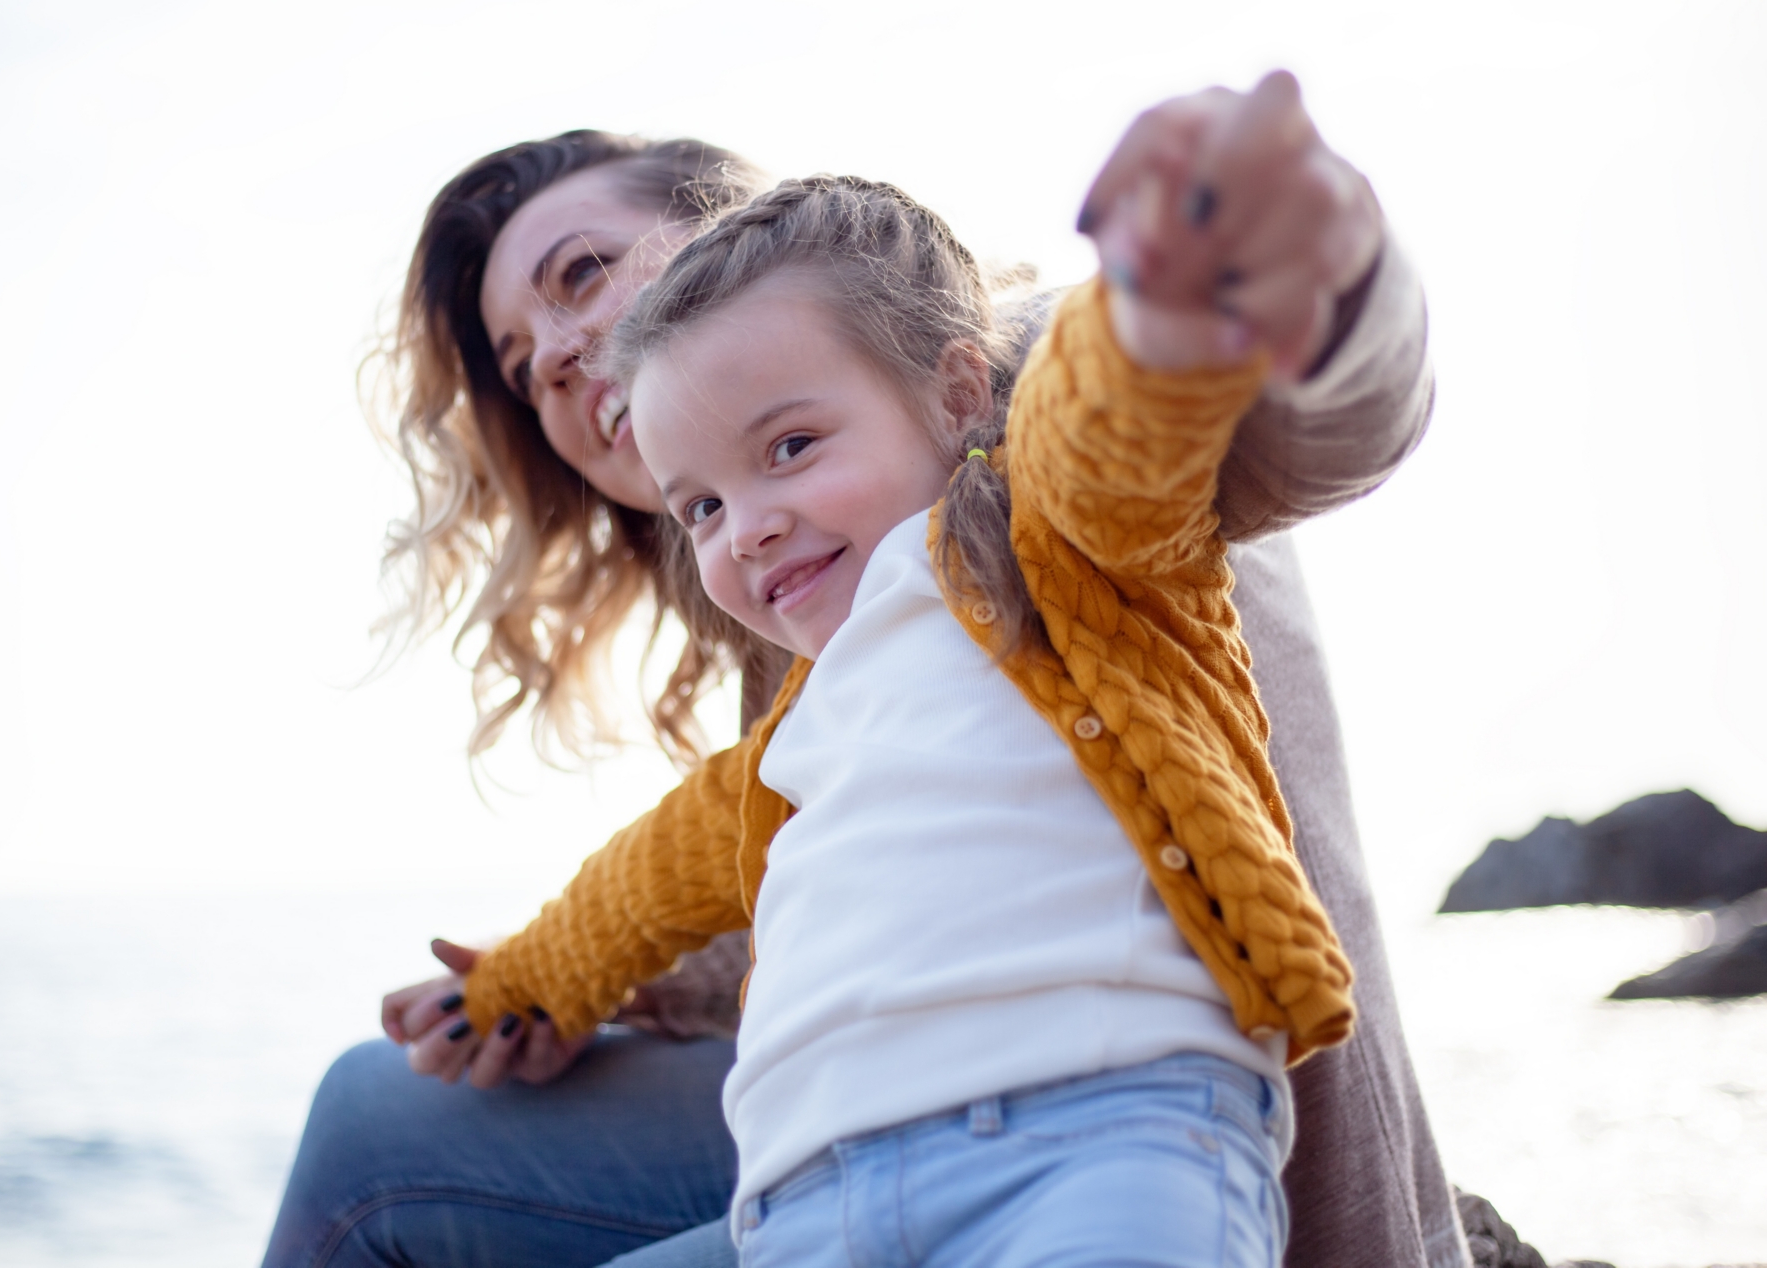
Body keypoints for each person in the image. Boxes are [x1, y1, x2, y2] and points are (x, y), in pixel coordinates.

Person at [264, 79, 1464, 1268]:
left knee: (373, 1134)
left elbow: (1284, 417)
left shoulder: (1026, 417)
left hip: (1123, 1124)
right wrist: (541, 982)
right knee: (371, 1109)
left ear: (725, 223)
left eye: (580, 273)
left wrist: (1271, 265)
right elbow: (737, 868)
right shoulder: (802, 624)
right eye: (523, 368)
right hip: (852, 1167)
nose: (564, 356)